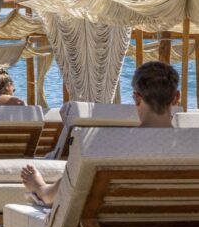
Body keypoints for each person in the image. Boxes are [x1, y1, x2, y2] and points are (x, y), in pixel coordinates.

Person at [21, 61, 179, 207]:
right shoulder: (192, 144)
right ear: (176, 98)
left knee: (50, 192)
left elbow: (64, 193)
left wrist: (41, 188)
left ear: (137, 98)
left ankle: (41, 188)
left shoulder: (105, 143)